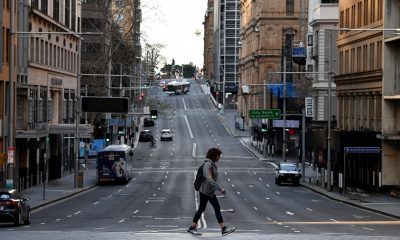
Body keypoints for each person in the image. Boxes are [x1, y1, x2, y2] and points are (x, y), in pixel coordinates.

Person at [187, 147, 236, 236]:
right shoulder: (208, 164)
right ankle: (223, 229)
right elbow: (209, 178)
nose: (219, 157)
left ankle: (192, 228)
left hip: (208, 191)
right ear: (214, 156)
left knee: (204, 208)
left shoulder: (211, 164)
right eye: (218, 156)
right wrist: (220, 188)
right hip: (206, 191)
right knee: (215, 207)